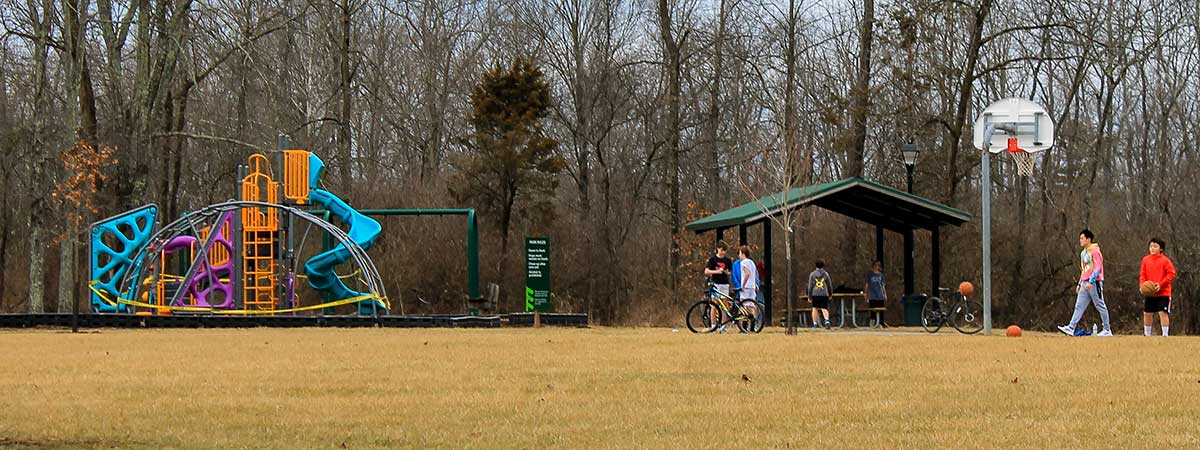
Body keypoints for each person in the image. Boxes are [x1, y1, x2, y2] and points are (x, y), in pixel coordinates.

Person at [1058, 229, 1112, 336]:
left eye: (1082, 238)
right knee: (1079, 305)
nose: (1080, 241)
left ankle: (1107, 329)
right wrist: (1079, 283)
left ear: (1088, 239)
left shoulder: (1095, 251)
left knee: (1100, 305)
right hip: (1084, 282)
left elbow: (1097, 268)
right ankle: (1071, 327)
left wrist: (1091, 281)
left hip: (1094, 282)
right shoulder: (1083, 253)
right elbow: (1084, 270)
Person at [1139, 237, 1176, 337]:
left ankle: (1165, 334)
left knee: (1162, 312)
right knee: (1147, 313)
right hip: (1150, 292)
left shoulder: (1165, 261)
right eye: (1151, 246)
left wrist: (1160, 284)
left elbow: (1171, 274)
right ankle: (1147, 334)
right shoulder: (1145, 260)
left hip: (1163, 292)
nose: (1152, 248)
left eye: (1155, 246)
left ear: (1161, 249)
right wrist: (1142, 285)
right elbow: (1142, 274)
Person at [703, 240, 733, 332]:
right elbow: (707, 271)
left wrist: (725, 272)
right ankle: (713, 325)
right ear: (718, 249)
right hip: (716, 284)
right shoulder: (712, 260)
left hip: (725, 284)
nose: (723, 252)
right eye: (722, 250)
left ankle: (723, 326)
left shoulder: (727, 260)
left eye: (725, 251)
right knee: (714, 305)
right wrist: (716, 271)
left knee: (724, 305)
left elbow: (729, 273)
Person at [737, 245, 760, 332]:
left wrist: (743, 285)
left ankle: (744, 325)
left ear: (743, 253)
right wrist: (755, 284)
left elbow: (747, 273)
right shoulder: (752, 262)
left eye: (739, 253)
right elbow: (754, 274)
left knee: (743, 306)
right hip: (752, 287)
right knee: (752, 305)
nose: (739, 255)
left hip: (746, 287)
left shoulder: (743, 262)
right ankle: (753, 326)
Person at [808, 259, 833, 329]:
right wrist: (830, 293)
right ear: (823, 265)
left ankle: (815, 324)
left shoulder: (812, 274)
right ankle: (827, 320)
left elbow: (810, 286)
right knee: (824, 308)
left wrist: (809, 296)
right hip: (824, 294)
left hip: (815, 293)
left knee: (814, 308)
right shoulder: (826, 274)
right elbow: (829, 285)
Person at [863, 261, 887, 327]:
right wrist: (865, 294)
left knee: (881, 310)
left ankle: (880, 323)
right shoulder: (870, 274)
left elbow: (882, 285)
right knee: (873, 310)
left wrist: (885, 294)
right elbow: (867, 284)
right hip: (872, 296)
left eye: (878, 265)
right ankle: (872, 323)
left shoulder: (881, 275)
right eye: (875, 265)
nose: (877, 267)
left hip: (880, 295)